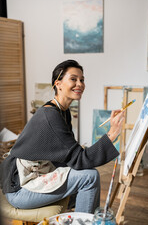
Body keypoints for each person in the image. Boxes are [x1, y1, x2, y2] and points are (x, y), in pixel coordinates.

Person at [0, 60, 124, 214]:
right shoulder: (51, 116)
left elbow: (71, 156)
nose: (80, 84)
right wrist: (112, 134)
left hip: (36, 175)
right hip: (20, 188)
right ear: (58, 84)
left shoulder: (62, 111)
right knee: (89, 177)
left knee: (85, 175)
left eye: (82, 80)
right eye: (73, 79)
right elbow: (79, 160)